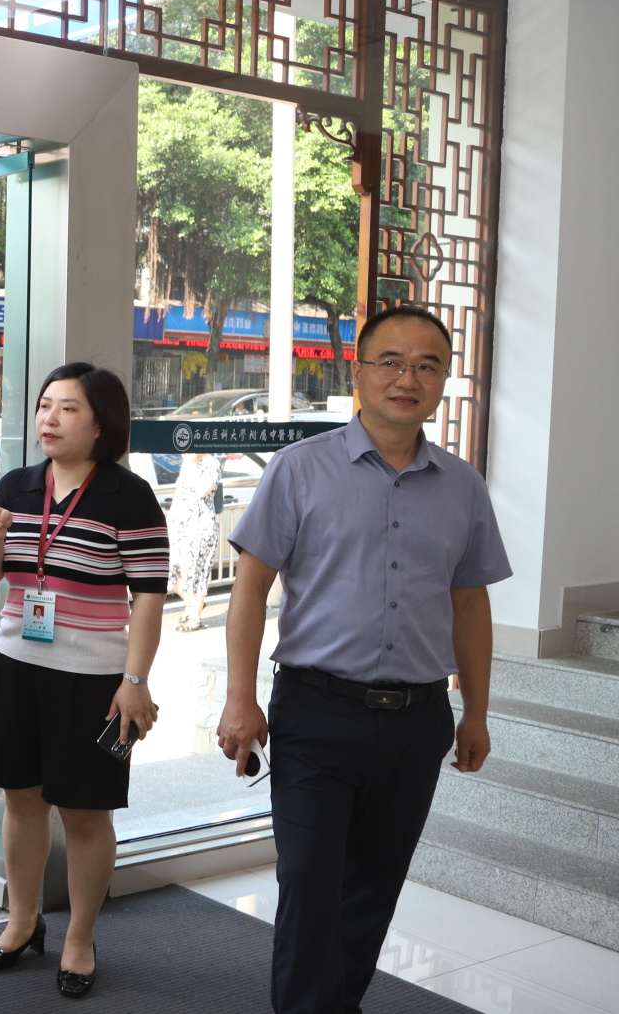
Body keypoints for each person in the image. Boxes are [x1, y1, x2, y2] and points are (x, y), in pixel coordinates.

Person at [217, 305, 509, 1014]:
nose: (408, 378)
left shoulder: (463, 486)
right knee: (310, 884)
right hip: (317, 711)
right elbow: (250, 589)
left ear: (443, 380)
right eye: (391, 362)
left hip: (416, 720)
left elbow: (470, 605)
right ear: (358, 372)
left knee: (373, 888)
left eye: (427, 365)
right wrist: (239, 697)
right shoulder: (300, 468)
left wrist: (475, 711)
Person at [0, 361, 168, 1000]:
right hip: (17, 666)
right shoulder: (17, 485)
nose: (49, 418)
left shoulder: (128, 495)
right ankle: (22, 922)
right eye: (44, 405)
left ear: (101, 423)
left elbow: (149, 596)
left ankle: (80, 937)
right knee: (21, 799)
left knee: (85, 812)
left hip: (95, 678)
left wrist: (135, 679)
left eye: (68, 408)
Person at [165, 452, 224, 631]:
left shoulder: (211, 464)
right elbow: (179, 492)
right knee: (171, 568)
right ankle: (192, 604)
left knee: (198, 572)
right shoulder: (187, 464)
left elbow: (201, 491)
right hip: (181, 526)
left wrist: (191, 465)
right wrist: (170, 519)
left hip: (201, 526)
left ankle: (195, 617)